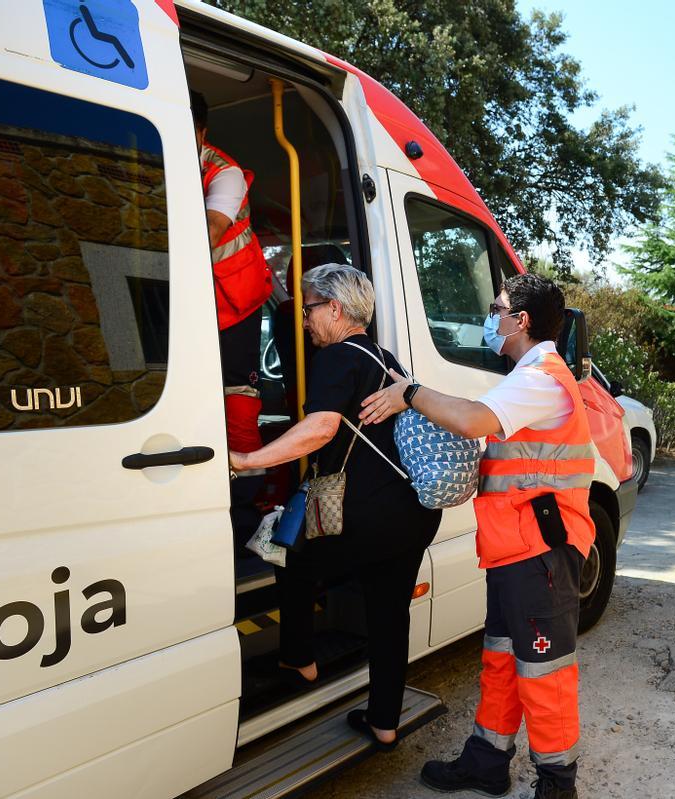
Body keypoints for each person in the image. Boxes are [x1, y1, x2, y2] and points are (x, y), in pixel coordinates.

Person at [360, 273, 595, 799]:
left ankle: (558, 784)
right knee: (502, 661)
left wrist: (410, 394)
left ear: (521, 321)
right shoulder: (529, 376)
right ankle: (487, 762)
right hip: (517, 548)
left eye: (497, 309)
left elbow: (471, 420)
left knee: (545, 672)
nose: (491, 318)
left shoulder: (542, 379)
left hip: (541, 553)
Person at [228, 264, 441, 748]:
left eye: (308, 310)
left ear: (335, 308)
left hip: (368, 517)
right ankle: (384, 722)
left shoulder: (337, 357)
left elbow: (321, 429)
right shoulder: (385, 358)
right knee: (390, 616)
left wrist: (248, 460)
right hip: (413, 512)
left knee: (286, 551)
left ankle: (299, 659)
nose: (304, 320)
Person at [191, 90, 274, 550]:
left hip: (235, 304)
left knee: (237, 398)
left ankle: (246, 506)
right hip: (196, 302)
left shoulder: (224, 173)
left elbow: (210, 230)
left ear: (202, 132)